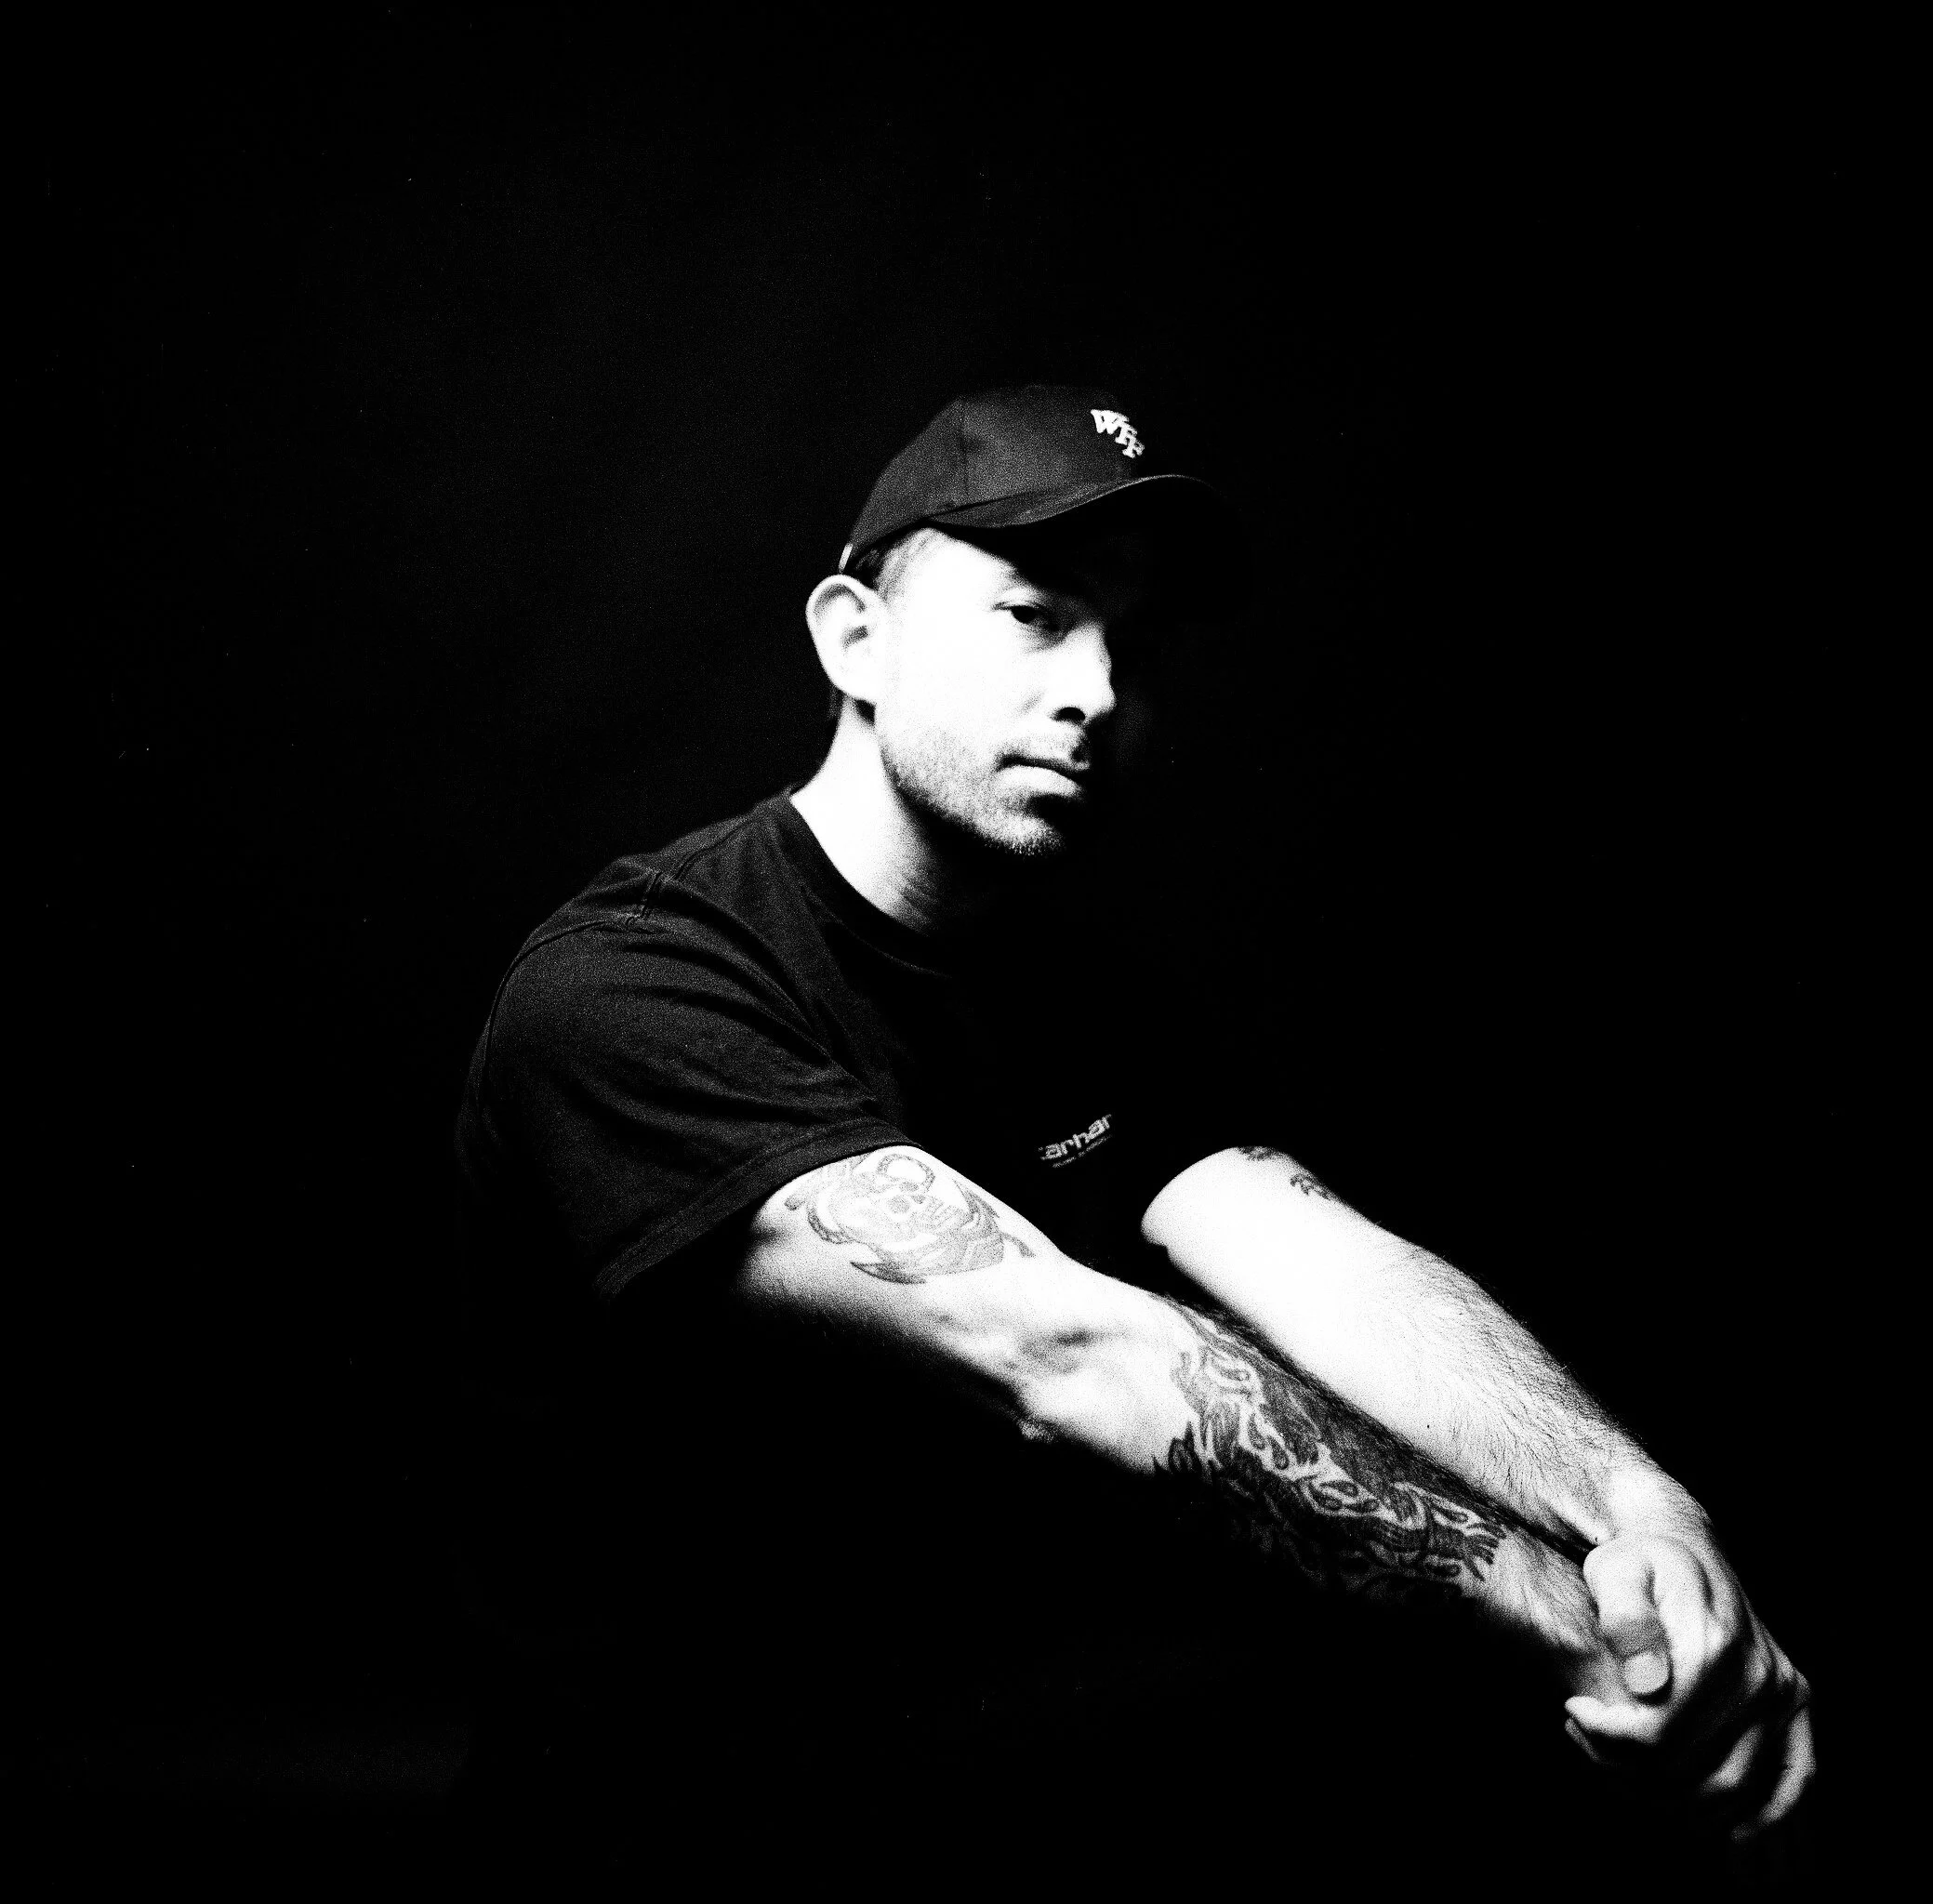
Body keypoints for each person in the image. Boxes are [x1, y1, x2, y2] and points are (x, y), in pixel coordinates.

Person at [450, 385, 1812, 1879]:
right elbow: (1065, 1354)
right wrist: (1588, 1634)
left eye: (1137, 645)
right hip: (674, 1820)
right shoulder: (635, 981)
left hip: (984, 1781)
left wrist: (1632, 1504)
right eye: (1035, 616)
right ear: (853, 641)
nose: (1099, 690)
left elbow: (1320, 1261)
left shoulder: (1085, 994)